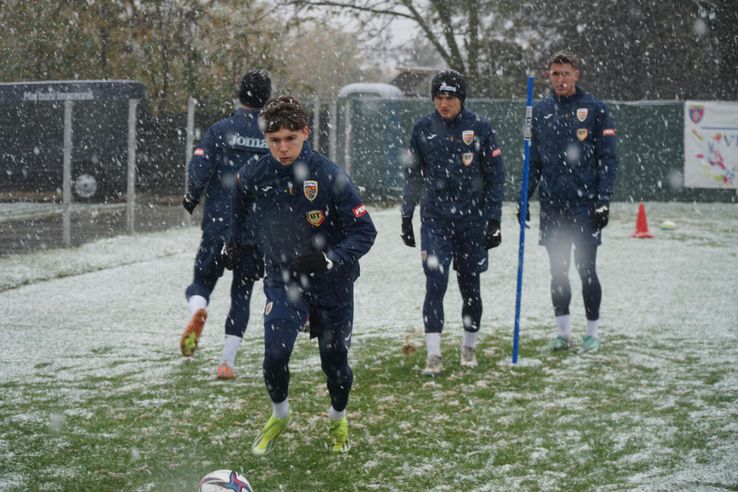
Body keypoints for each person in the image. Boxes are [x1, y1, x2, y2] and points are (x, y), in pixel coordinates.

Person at [226, 95, 377, 455]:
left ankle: (338, 417)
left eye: (290, 139)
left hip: (331, 283)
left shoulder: (328, 174)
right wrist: (234, 244)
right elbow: (239, 207)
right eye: (274, 140)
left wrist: (330, 258)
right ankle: (280, 414)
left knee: (335, 364)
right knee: (274, 356)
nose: (282, 148)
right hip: (283, 278)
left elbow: (365, 231)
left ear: (305, 133)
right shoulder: (254, 174)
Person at [400, 70, 505, 376]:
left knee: (470, 286)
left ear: (461, 99)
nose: (444, 104)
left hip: (472, 221)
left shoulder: (480, 127)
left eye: (450, 98)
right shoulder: (422, 128)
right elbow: (413, 176)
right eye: (438, 97)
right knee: (436, 283)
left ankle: (469, 347)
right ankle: (434, 355)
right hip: (435, 220)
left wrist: (493, 219)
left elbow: (495, 177)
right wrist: (407, 215)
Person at [519, 52, 618, 353]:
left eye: (565, 73)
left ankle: (593, 333)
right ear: (548, 77)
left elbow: (608, 159)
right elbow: (532, 162)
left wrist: (603, 201)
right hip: (552, 205)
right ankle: (563, 333)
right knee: (557, 270)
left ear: (576, 75)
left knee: (586, 269)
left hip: (584, 205)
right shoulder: (536, 112)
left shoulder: (595, 109)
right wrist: (523, 198)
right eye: (554, 74)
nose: (560, 79)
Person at [180, 69, 271, 379]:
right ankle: (226, 362)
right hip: (255, 230)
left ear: (239, 95)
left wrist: (191, 197)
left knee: (202, 280)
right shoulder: (272, 135)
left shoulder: (221, 130)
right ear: (267, 100)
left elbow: (199, 168)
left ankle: (198, 310)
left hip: (221, 222)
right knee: (242, 294)